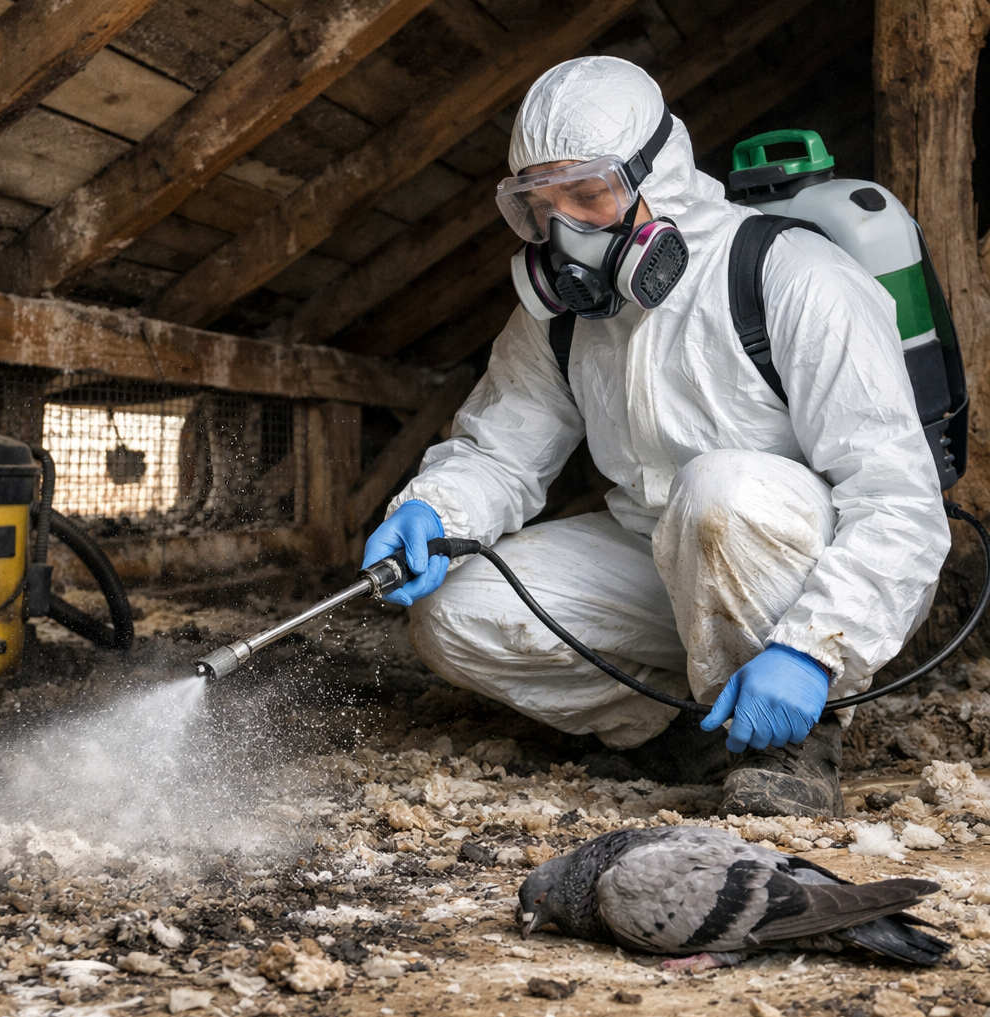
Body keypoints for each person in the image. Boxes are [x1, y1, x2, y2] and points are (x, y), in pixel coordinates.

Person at [363, 57, 950, 817]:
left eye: (589, 194)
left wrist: (814, 649)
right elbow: (499, 452)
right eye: (541, 205)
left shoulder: (791, 274)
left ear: (657, 175)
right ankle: (689, 726)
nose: (564, 228)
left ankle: (793, 743)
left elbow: (899, 500)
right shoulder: (562, 318)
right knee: (456, 613)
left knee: (719, 491)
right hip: (660, 552)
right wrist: (436, 512)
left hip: (802, 562)